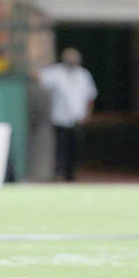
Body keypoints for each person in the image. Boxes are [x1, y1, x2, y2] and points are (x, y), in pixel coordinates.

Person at [36, 47, 97, 181]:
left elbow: (90, 96)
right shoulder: (55, 72)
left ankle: (71, 174)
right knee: (60, 147)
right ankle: (59, 173)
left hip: (78, 118)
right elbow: (38, 76)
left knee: (75, 148)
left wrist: (87, 114)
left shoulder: (83, 75)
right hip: (60, 118)